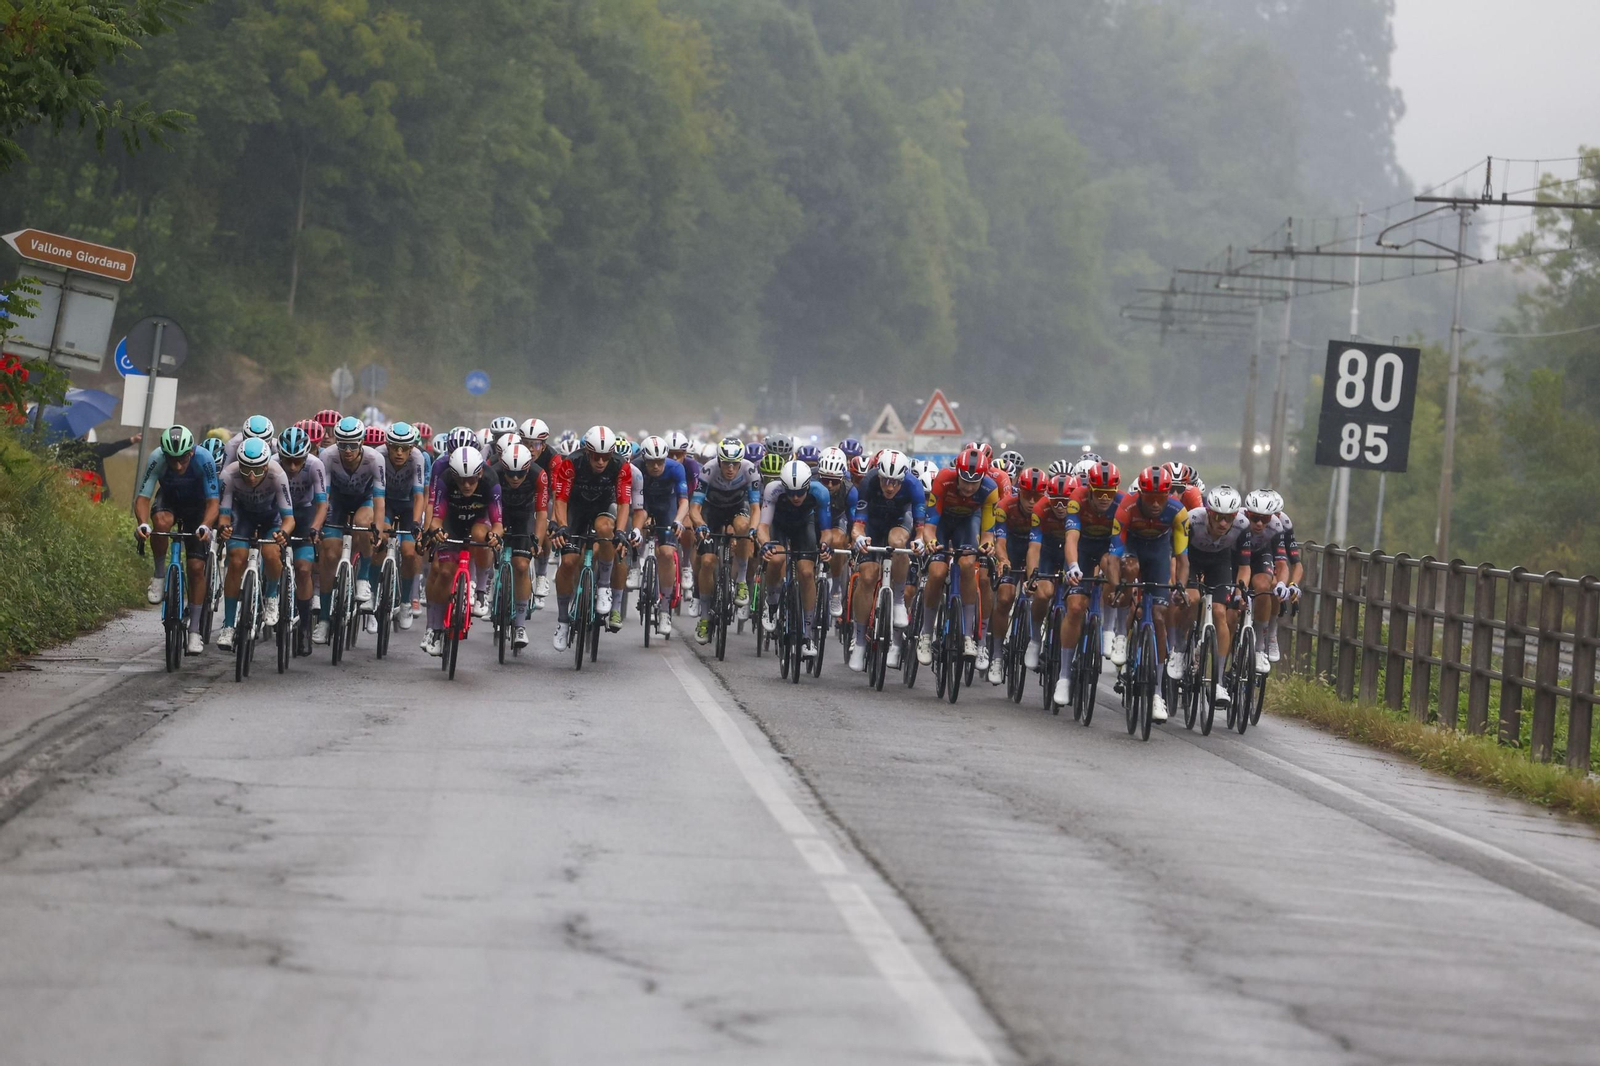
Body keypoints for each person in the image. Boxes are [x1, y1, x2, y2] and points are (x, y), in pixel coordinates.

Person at [133, 426, 220, 655]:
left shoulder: (204, 459)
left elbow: (213, 502)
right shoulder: (157, 458)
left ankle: (194, 632)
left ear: (191, 452)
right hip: (169, 500)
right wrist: (143, 523)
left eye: (182, 459)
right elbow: (143, 497)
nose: (178, 466)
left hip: (197, 507)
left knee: (195, 568)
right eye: (172, 460)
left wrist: (206, 525)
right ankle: (160, 574)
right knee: (160, 524)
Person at [757, 460, 833, 663]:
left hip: (804, 527)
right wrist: (765, 544)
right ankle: (772, 603)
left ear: (808, 486)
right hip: (779, 526)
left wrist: (825, 545)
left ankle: (807, 634)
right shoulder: (773, 490)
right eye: (790, 493)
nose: (796, 497)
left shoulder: (821, 492)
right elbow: (763, 527)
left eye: (800, 492)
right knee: (776, 558)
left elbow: (826, 532)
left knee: (807, 573)